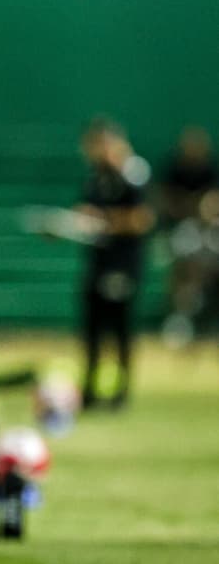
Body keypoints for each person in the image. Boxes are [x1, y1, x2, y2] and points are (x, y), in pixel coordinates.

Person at [77, 118, 155, 410]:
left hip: (122, 265)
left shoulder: (133, 173)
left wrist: (105, 221)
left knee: (120, 330)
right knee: (93, 330)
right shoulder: (97, 176)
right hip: (98, 262)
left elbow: (142, 219)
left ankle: (120, 392)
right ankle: (90, 390)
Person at [157, 126, 219, 345]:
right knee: (185, 265)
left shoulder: (210, 170)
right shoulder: (174, 169)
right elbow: (165, 200)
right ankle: (181, 319)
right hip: (180, 229)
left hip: (209, 231)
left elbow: (212, 202)